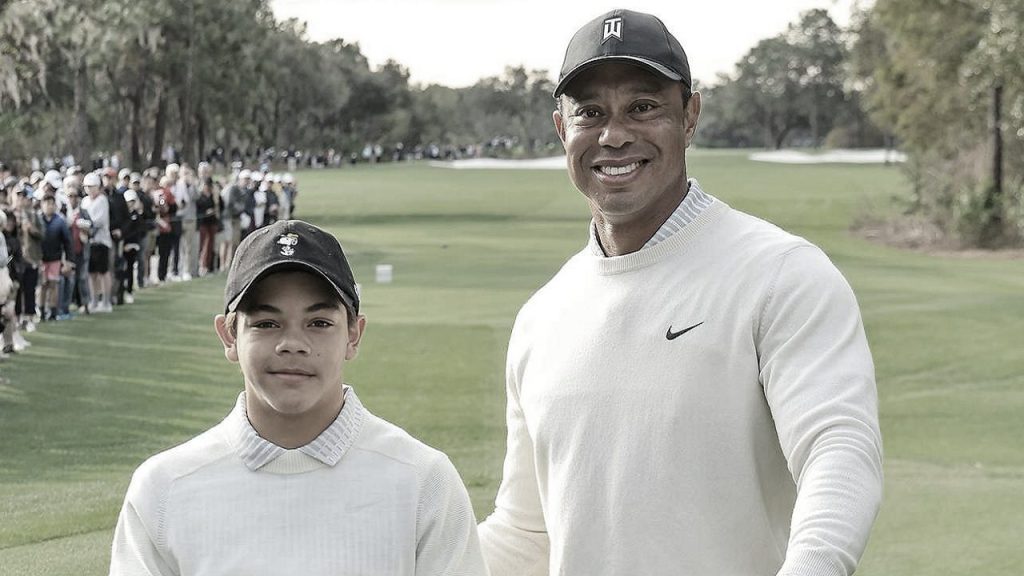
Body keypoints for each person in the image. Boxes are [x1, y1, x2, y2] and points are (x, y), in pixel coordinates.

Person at [477, 9, 883, 576]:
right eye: (590, 113)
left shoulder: (781, 273)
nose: (614, 136)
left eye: (643, 108)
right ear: (560, 128)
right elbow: (526, 532)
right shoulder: (542, 316)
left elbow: (839, 452)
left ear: (690, 116)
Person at [109, 219, 488, 575]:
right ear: (229, 336)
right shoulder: (164, 488)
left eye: (319, 323)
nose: (293, 344)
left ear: (353, 335)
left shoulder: (423, 482)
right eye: (266, 324)